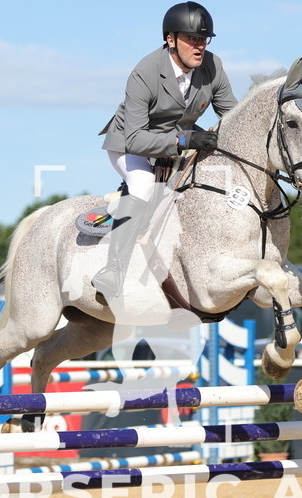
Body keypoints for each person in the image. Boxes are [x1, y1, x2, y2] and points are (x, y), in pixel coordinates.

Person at [92, 1, 238, 301]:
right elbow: (136, 138)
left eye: (203, 39)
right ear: (171, 40)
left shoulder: (213, 66)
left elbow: (232, 116)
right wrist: (184, 142)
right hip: (131, 143)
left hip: (178, 140)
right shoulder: (144, 73)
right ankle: (113, 270)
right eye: (191, 40)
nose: (199, 47)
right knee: (144, 186)